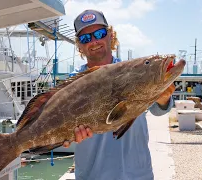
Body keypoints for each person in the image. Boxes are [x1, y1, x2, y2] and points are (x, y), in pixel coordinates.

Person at [62, 9, 175, 180]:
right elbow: (59, 130)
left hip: (138, 174)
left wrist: (164, 98)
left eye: (99, 33)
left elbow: (158, 111)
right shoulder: (72, 83)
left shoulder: (134, 71)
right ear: (79, 46)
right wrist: (67, 137)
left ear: (110, 35)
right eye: (86, 38)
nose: (94, 41)